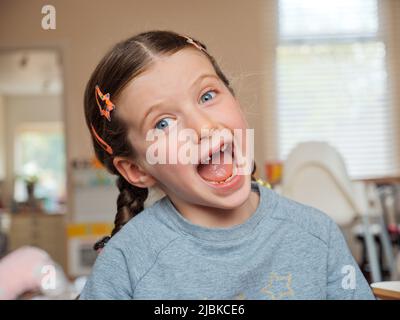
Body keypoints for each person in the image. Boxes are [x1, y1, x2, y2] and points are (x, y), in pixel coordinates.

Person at [79, 30, 374, 300]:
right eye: (164, 123)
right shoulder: (125, 263)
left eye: (207, 96)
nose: (203, 126)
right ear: (137, 169)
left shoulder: (317, 236)